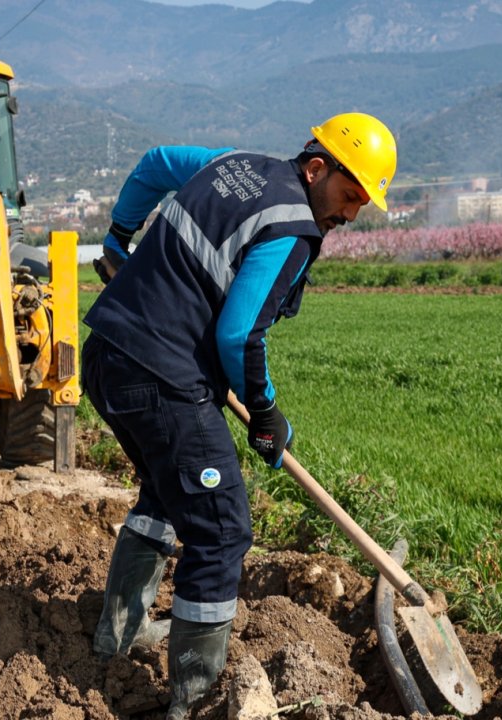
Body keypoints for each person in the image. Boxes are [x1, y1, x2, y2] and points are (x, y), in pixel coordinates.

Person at [82, 112, 397, 718]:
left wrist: (120, 237)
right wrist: (266, 413)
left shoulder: (231, 164)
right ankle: (194, 698)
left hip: (108, 357)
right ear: (316, 168)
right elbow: (240, 336)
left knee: (167, 491)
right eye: (350, 194)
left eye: (363, 202)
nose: (351, 213)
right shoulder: (294, 228)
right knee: (222, 528)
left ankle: (115, 638)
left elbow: (153, 163)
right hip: (160, 375)